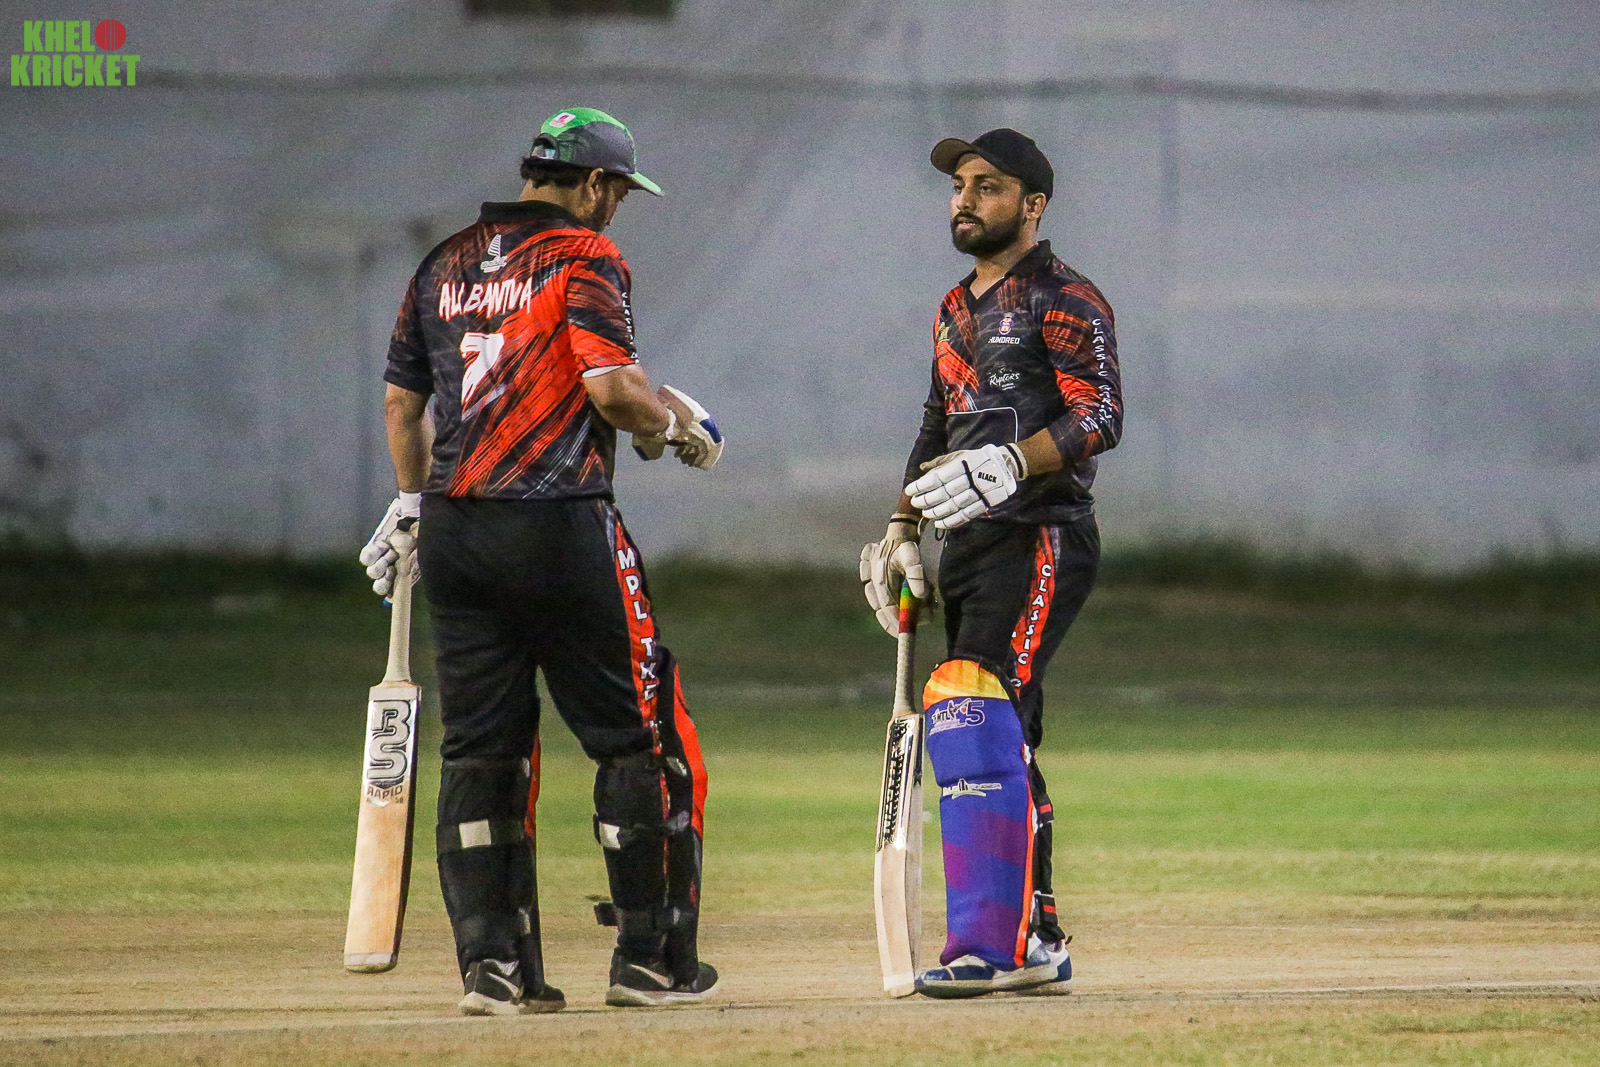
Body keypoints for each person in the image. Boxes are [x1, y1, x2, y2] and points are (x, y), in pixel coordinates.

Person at [360, 107, 723, 1015]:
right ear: (594, 185)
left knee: (481, 750)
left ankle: (494, 970)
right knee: (637, 740)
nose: (617, 210)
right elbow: (612, 388)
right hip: (559, 523)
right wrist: (676, 426)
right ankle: (649, 960)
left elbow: (403, 406)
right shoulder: (584, 256)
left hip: (455, 528)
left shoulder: (442, 262)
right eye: (618, 193)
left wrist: (411, 505)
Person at [859, 127, 1123, 998]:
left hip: (1041, 532)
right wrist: (903, 528)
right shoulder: (951, 309)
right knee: (992, 729)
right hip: (965, 543)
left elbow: (1101, 415)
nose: (965, 200)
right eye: (959, 185)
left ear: (1032, 204)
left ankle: (986, 944)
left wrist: (1014, 461)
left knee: (973, 715)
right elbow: (936, 426)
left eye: (988, 186)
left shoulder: (1065, 297)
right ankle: (1036, 934)